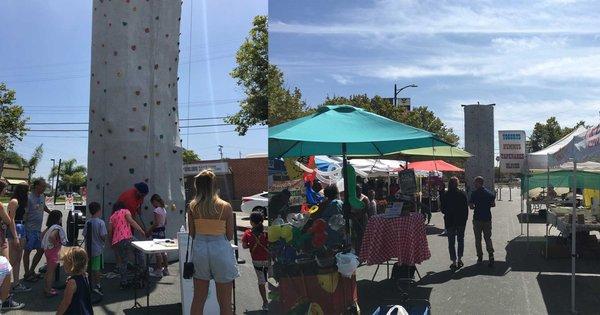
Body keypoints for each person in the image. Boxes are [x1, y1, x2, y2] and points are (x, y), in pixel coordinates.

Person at [188, 170, 239, 315]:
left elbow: (192, 233)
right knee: (225, 303)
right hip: (220, 249)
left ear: (197, 186)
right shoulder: (225, 206)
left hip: (200, 250)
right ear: (213, 185)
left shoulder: (192, 206)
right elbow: (229, 235)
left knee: (198, 299)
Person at [108, 201, 146, 288]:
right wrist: (141, 230)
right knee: (139, 250)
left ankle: (123, 281)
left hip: (117, 241)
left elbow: (110, 231)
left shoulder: (112, 216)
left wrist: (111, 243)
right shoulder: (125, 211)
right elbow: (131, 221)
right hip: (127, 237)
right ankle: (142, 271)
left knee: (123, 261)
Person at [0, 179, 25, 310]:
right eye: (4, 189)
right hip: (2, 240)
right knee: (6, 268)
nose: (6, 191)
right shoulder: (3, 204)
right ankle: (5, 299)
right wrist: (15, 236)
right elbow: (8, 220)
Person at [23, 178, 52, 282]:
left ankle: (31, 271)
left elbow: (43, 206)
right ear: (36, 186)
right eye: (42, 186)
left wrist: (51, 213)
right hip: (29, 230)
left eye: (45, 186)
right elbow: (25, 214)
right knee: (27, 251)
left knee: (41, 249)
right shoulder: (29, 198)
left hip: (38, 230)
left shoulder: (42, 196)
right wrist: (24, 231)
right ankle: (26, 274)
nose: (44, 188)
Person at [241, 211, 269, 311]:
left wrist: (252, 245)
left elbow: (244, 246)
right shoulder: (266, 232)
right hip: (268, 260)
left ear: (252, 222)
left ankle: (265, 302)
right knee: (271, 278)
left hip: (257, 261)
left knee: (261, 281)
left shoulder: (248, 233)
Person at [6, 183, 30, 292]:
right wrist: (15, 237)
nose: (28, 192)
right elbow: (10, 220)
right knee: (13, 259)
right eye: (26, 189)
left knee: (18, 258)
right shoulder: (14, 201)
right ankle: (5, 283)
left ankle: (16, 283)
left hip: (21, 227)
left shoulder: (22, 202)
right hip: (15, 228)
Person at [56, 247, 93, 315]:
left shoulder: (72, 282)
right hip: (84, 310)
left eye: (65, 262)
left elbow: (66, 302)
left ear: (72, 265)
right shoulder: (84, 275)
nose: (63, 264)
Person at [441, 177, 468, 270]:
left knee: (451, 242)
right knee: (461, 240)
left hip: (449, 221)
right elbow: (466, 209)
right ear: (457, 184)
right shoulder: (462, 194)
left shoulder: (446, 194)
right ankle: (460, 259)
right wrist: (465, 220)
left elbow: (442, 209)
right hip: (461, 221)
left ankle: (453, 261)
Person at [469, 176, 496, 267]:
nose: (474, 184)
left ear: (479, 183)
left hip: (477, 219)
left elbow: (471, 206)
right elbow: (493, 205)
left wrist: (477, 206)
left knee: (478, 239)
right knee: (488, 238)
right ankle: (491, 255)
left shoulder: (474, 194)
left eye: (475, 183)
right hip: (487, 218)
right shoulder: (490, 194)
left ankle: (480, 256)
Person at [82, 202, 107, 295]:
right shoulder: (101, 222)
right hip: (97, 249)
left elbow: (84, 234)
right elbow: (103, 236)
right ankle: (97, 285)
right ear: (99, 211)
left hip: (88, 249)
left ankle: (88, 283)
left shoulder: (88, 222)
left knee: (88, 267)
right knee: (96, 269)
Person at [41, 210, 67, 297]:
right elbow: (52, 236)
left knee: (48, 271)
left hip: (48, 251)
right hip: (54, 252)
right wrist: (57, 244)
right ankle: (48, 291)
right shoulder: (56, 228)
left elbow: (42, 235)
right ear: (58, 218)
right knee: (51, 272)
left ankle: (46, 288)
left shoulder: (49, 227)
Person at [146, 194, 169, 277]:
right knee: (163, 251)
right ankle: (166, 269)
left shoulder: (157, 210)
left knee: (157, 252)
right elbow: (165, 222)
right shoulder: (164, 210)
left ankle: (159, 270)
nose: (152, 205)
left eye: (152, 203)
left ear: (155, 201)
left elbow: (156, 223)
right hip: (163, 231)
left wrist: (149, 230)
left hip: (157, 232)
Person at [350, 184, 369, 253]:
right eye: (357, 189)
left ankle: (363, 252)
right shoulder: (352, 198)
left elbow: (365, 210)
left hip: (362, 220)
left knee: (362, 236)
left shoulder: (364, 198)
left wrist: (357, 217)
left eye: (359, 189)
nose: (359, 190)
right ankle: (357, 251)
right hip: (354, 219)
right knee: (355, 237)